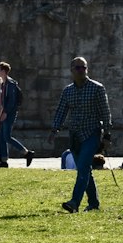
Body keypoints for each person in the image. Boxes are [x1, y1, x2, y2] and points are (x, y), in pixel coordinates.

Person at [49, 56, 111, 212]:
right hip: (75, 136)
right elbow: (61, 111)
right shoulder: (68, 91)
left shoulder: (97, 88)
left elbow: (105, 113)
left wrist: (107, 135)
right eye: (78, 68)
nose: (82, 70)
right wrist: (54, 129)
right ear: (72, 70)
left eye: (84, 67)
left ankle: (74, 202)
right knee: (85, 170)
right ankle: (94, 203)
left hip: (91, 134)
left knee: (83, 167)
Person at [0, 59, 33, 167]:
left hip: (9, 114)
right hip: (4, 113)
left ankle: (26, 153)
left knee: (6, 137)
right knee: (2, 137)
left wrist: (5, 112)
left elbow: (12, 101)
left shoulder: (10, 84)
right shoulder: (3, 83)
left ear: (3, 71)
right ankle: (3, 161)